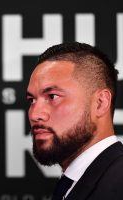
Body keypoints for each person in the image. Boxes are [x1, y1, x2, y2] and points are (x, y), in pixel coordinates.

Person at [27, 42, 123, 200]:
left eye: (53, 96)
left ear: (100, 103)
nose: (35, 114)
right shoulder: (72, 183)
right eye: (32, 100)